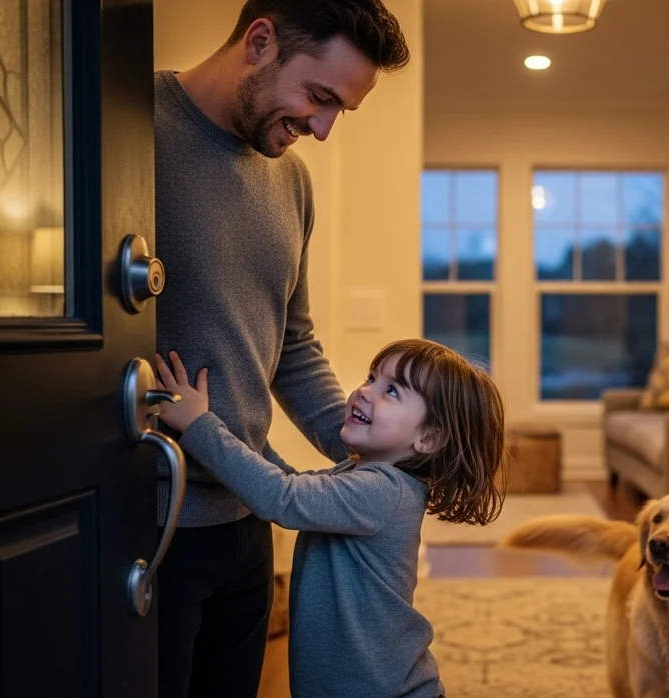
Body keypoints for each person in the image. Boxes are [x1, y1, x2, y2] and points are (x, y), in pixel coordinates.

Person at [152, 1, 409, 696]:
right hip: (149, 518)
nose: (322, 129)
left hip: (249, 516)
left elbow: (292, 345)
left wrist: (378, 452)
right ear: (259, 42)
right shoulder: (131, 129)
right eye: (318, 97)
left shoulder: (290, 180)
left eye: (338, 112)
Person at [153, 338, 507, 698]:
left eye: (393, 392)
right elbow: (289, 481)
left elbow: (282, 497)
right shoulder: (359, 474)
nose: (366, 392)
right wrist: (238, 429)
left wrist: (199, 426)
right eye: (371, 378)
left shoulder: (383, 492)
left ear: (428, 438)